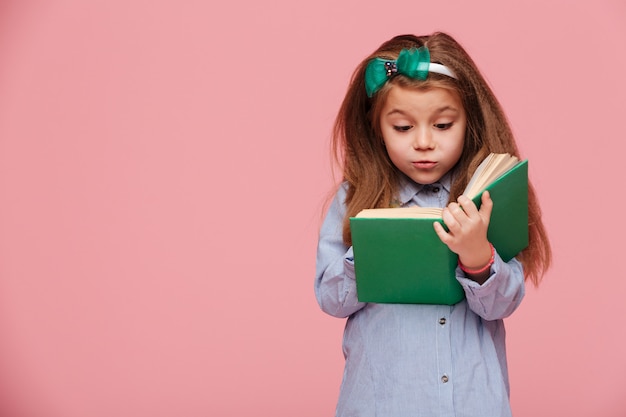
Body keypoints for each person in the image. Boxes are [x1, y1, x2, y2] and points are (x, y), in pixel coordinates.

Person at [315, 32, 552, 417]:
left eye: (443, 125)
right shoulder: (353, 199)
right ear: (377, 128)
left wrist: (478, 258)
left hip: (472, 403)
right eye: (403, 128)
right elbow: (331, 299)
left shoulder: (486, 199)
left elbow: (504, 304)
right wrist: (374, 251)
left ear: (469, 122)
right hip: (381, 404)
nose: (424, 142)